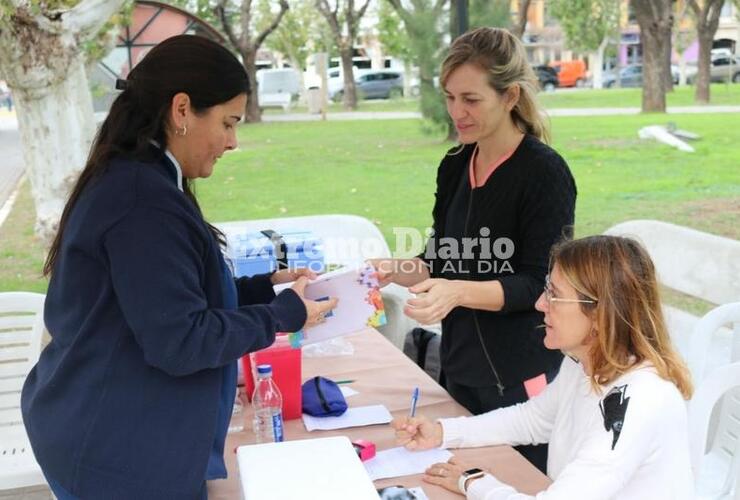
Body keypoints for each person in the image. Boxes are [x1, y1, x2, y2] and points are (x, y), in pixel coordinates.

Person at [21, 35, 337, 500]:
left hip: (108, 427)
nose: (232, 143)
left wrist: (265, 287)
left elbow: (164, 293)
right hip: (115, 455)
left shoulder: (142, 177)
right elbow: (180, 341)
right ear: (183, 109)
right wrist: (283, 316)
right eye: (228, 123)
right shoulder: (141, 201)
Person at [371, 27, 576, 471]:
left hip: (521, 378)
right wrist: (388, 269)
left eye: (471, 99)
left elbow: (537, 283)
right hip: (460, 369)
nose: (456, 112)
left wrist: (457, 291)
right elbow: (438, 260)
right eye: (449, 97)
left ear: (509, 96)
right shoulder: (454, 165)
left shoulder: (545, 173)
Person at [391, 235, 694, 499]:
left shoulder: (640, 399)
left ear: (601, 315)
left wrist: (472, 481)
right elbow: (532, 420)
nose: (539, 303)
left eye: (554, 295)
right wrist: (442, 432)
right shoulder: (584, 364)